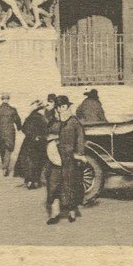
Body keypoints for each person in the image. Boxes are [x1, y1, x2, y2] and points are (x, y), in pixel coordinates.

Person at [44, 96, 87, 224]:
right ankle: (54, 214)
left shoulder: (74, 122)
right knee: (53, 184)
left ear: (67, 107)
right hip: (55, 158)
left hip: (69, 157)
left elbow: (80, 138)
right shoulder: (54, 122)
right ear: (57, 108)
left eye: (64, 106)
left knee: (69, 184)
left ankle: (71, 212)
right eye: (59, 107)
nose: (62, 109)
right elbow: (48, 135)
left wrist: (79, 154)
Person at [14, 100, 48, 189]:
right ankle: (35, 181)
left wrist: (32, 136)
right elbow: (45, 130)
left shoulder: (30, 117)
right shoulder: (41, 118)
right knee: (38, 162)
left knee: (30, 162)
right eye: (42, 109)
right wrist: (38, 136)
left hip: (29, 143)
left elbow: (24, 128)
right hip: (39, 143)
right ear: (40, 109)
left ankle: (30, 181)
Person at [0, 93, 22, 176]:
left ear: (2, 99)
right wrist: (19, 128)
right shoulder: (13, 109)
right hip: (10, 132)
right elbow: (17, 120)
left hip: (0, 131)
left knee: (2, 149)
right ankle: (5, 167)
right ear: (8, 99)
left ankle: (4, 165)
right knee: (8, 149)